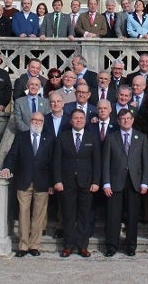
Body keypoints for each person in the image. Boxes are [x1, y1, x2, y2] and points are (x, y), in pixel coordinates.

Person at [0, 112, 53, 257]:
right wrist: (6, 168)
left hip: (42, 182)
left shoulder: (48, 138)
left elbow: (53, 162)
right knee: (23, 213)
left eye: (39, 120)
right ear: (30, 121)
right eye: (34, 119)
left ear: (43, 122)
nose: (36, 122)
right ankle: (23, 245)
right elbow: (12, 155)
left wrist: (52, 183)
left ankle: (34, 245)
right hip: (24, 181)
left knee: (38, 215)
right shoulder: (21, 136)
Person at [101, 108, 148, 257]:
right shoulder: (111, 137)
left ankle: (131, 246)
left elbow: (146, 162)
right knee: (113, 216)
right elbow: (106, 162)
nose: (126, 121)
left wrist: (144, 183)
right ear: (118, 121)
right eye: (123, 119)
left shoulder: (141, 137)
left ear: (132, 120)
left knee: (132, 216)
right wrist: (106, 183)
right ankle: (111, 246)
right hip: (115, 182)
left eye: (128, 118)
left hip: (135, 183)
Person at [52, 109, 100, 257]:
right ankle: (68, 245)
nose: (78, 120)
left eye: (81, 118)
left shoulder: (92, 137)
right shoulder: (62, 137)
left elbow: (97, 162)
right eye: (75, 118)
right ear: (71, 121)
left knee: (84, 215)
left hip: (86, 182)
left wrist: (96, 181)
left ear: (85, 121)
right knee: (68, 215)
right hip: (67, 182)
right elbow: (56, 161)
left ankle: (82, 246)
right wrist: (57, 180)